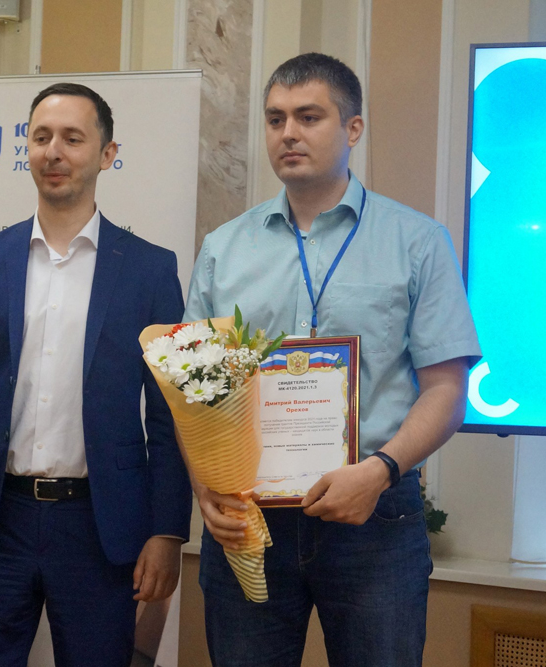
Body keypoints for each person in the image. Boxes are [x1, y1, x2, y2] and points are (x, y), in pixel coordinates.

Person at [183, 53, 481, 666]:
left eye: (309, 117)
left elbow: (447, 389)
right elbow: (196, 393)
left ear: (353, 128)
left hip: (375, 514)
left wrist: (379, 471)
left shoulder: (417, 242)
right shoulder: (223, 248)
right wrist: (203, 485)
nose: (288, 133)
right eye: (275, 119)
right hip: (250, 516)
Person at [0, 82, 192, 667]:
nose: (54, 151)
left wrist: (168, 531)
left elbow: (169, 415)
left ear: (107, 153)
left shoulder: (149, 270)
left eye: (73, 138)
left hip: (101, 525)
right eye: (41, 137)